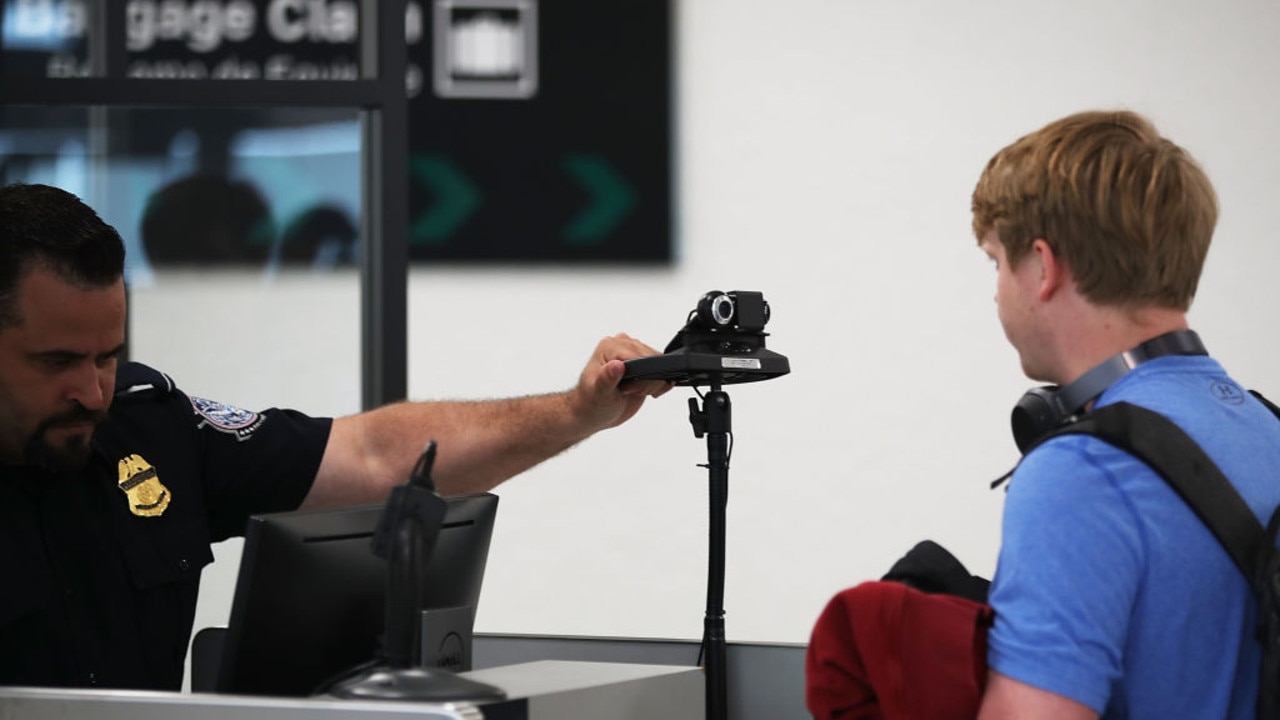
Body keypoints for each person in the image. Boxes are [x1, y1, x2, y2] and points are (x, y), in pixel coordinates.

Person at [0, 182, 670, 690]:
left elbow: (374, 457)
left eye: (108, 356)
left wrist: (578, 411)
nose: (93, 392)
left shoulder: (150, 426)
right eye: (56, 362)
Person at [970, 110, 1280, 718]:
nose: (997, 289)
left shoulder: (1081, 472)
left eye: (996, 263)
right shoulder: (1264, 429)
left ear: (1043, 265)